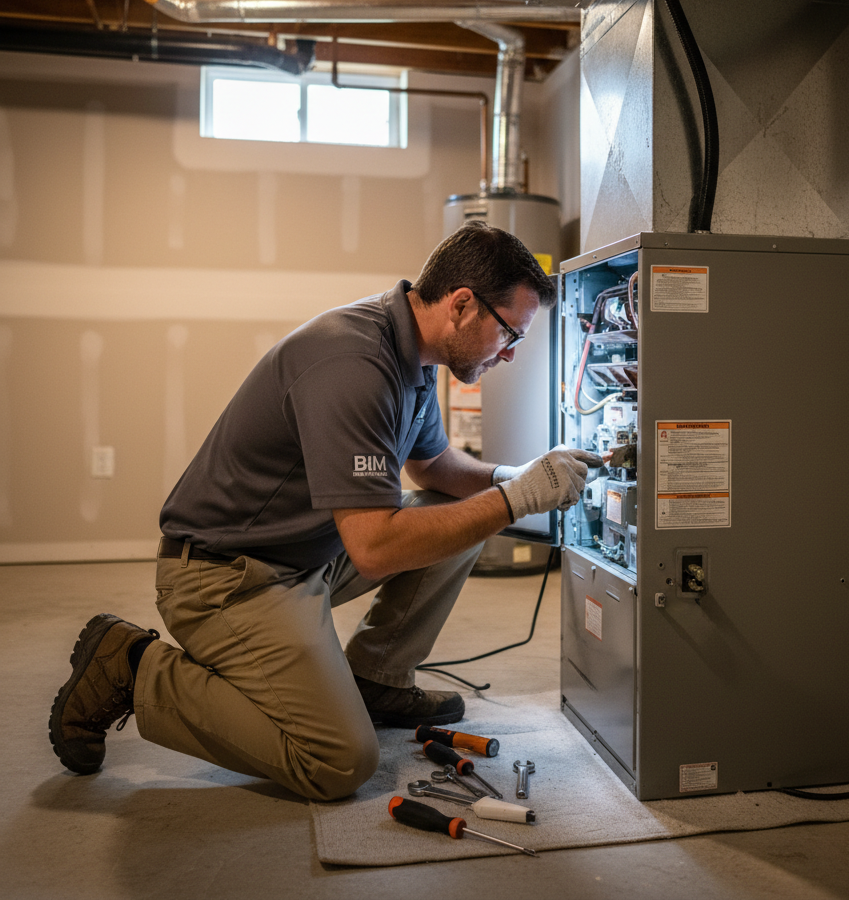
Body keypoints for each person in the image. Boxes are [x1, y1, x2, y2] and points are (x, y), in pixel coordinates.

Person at [48, 221, 601, 801]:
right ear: (463, 305)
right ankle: (132, 666)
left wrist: (511, 477)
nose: (511, 354)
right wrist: (515, 500)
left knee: (457, 509)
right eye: (510, 332)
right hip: (225, 579)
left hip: (303, 555)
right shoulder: (354, 363)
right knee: (338, 761)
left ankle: (375, 679)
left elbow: (433, 467)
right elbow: (375, 548)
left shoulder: (413, 354)